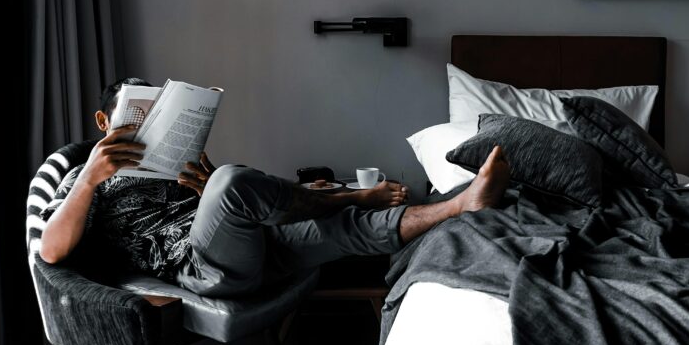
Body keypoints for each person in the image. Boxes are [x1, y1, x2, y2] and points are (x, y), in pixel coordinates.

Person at [40, 77, 510, 297]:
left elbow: (228, 205)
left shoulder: (169, 165)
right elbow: (51, 252)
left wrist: (205, 190)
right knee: (232, 179)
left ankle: (461, 206)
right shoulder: (85, 178)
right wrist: (89, 177)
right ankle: (340, 195)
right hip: (200, 269)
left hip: (252, 248)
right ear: (105, 121)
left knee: (349, 225)